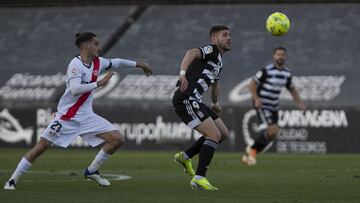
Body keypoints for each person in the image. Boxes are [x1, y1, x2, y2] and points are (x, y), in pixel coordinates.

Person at [4, 32, 152, 190]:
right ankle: (12, 180)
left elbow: (116, 62)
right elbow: (75, 90)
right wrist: (99, 83)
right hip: (67, 117)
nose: (99, 47)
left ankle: (91, 171)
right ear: (87, 45)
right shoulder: (75, 65)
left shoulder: (98, 62)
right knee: (41, 146)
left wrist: (140, 64)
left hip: (87, 116)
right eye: (96, 43)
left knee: (117, 139)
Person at [172, 25, 231, 190]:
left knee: (223, 134)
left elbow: (215, 84)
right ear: (214, 39)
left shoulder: (218, 60)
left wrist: (214, 103)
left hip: (197, 101)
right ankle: (199, 177)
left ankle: (185, 156)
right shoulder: (211, 50)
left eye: (229, 35)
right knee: (214, 134)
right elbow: (191, 52)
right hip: (186, 99)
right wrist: (182, 75)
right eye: (225, 35)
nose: (229, 38)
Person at [242, 47, 305, 165]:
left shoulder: (287, 73)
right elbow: (252, 84)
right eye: (278, 54)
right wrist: (256, 99)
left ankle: (251, 151)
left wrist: (300, 103)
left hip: (274, 107)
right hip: (263, 104)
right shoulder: (266, 70)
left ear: (285, 57)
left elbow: (292, 89)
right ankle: (251, 153)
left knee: (272, 134)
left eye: (282, 54)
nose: (280, 56)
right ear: (274, 56)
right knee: (272, 129)